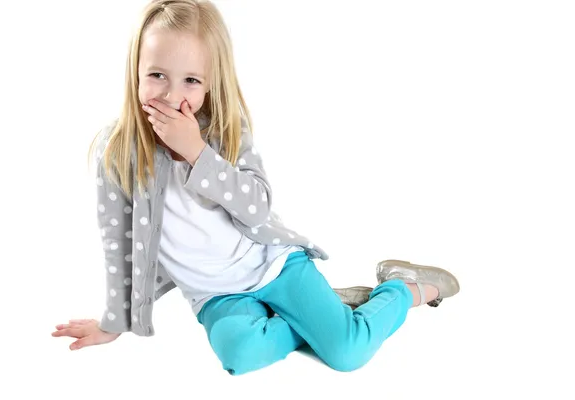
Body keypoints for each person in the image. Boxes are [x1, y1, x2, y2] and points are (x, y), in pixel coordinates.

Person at [51, 0, 460, 375]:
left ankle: (403, 289)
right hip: (216, 296)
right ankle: (321, 312)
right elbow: (119, 243)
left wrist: (197, 153)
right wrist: (114, 321)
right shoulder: (116, 151)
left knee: (347, 353)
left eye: (191, 80)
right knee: (240, 355)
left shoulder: (225, 131)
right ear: (135, 71)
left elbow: (258, 209)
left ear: (211, 83)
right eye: (157, 75)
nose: (173, 96)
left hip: (273, 265)